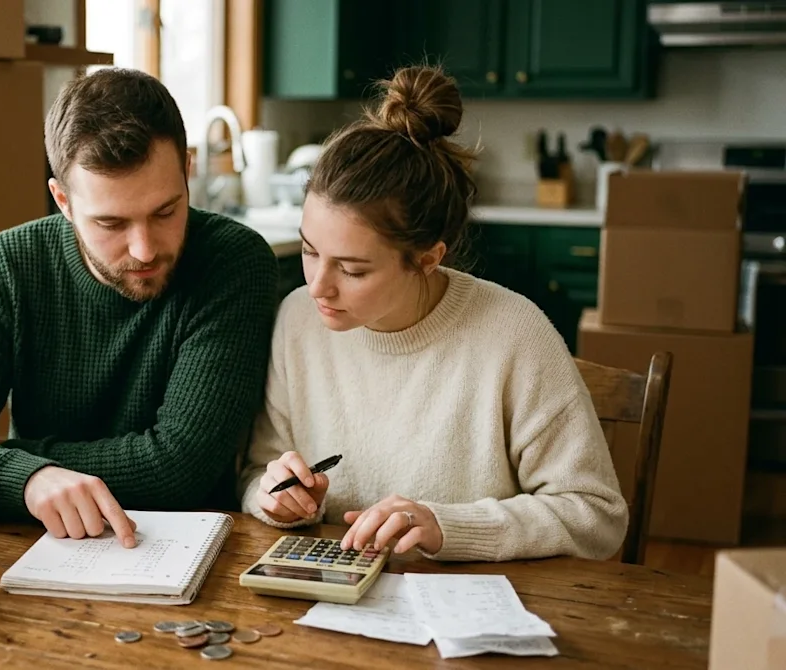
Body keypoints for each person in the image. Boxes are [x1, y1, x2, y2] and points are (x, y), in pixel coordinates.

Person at [239, 65, 628, 562]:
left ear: (427, 258)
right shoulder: (297, 319)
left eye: (353, 270)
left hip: (472, 612)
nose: (317, 286)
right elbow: (256, 474)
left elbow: (597, 516)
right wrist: (279, 499)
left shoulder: (515, 334)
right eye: (310, 251)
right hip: (333, 605)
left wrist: (449, 527)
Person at [0, 68, 280, 549]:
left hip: (191, 554)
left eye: (165, 212)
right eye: (111, 222)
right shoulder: (10, 264)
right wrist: (30, 480)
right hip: (40, 549)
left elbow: (180, 468)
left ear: (187, 172)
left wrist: (10, 459)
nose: (144, 249)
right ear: (62, 199)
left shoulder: (234, 261)